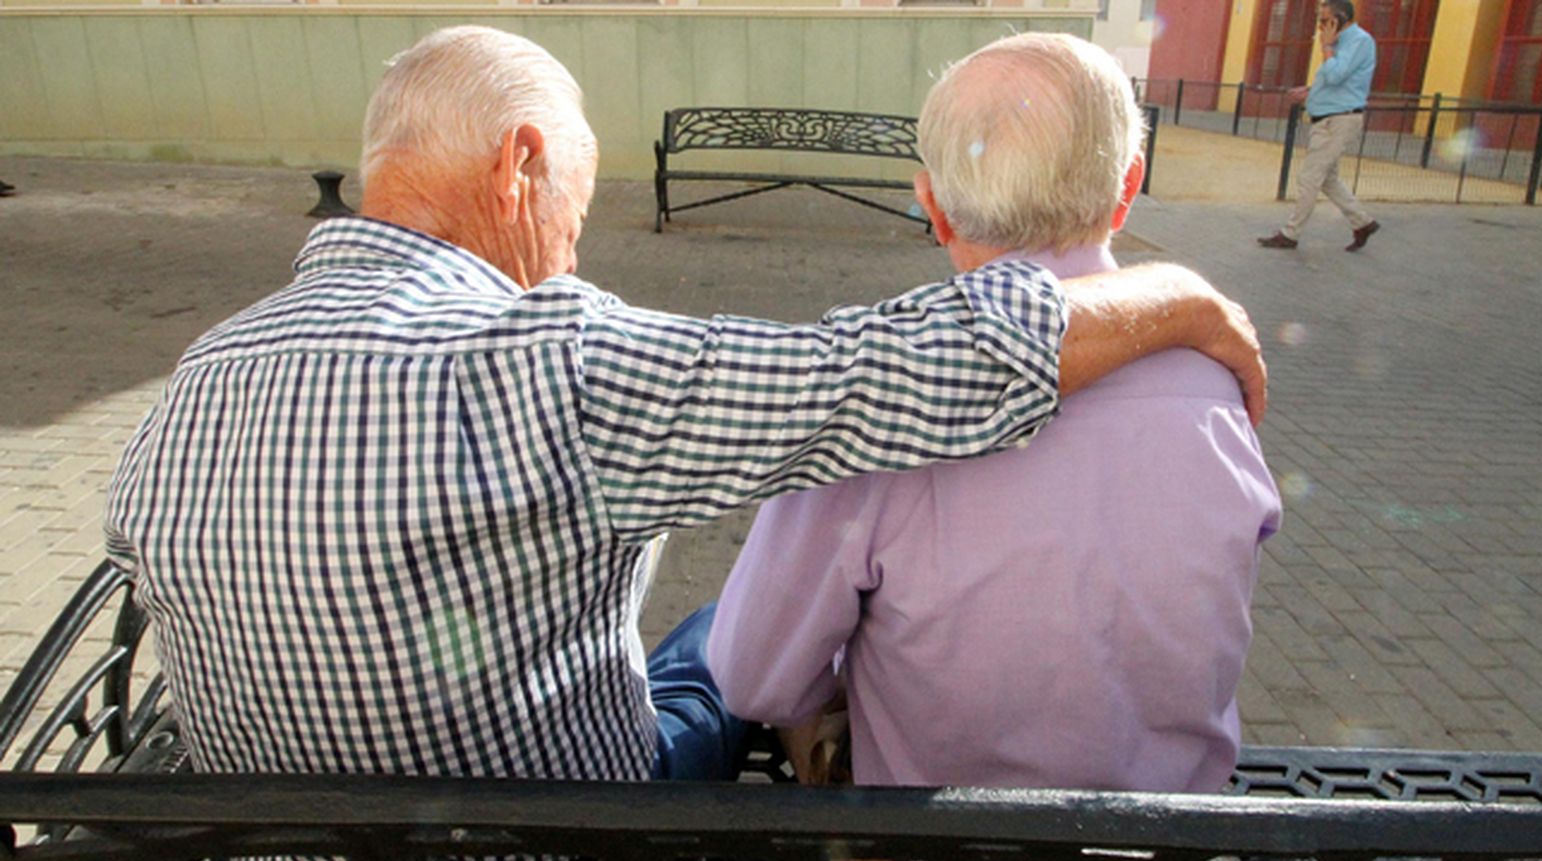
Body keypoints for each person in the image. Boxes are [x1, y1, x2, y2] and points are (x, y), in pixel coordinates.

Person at [104, 25, 1266, 788]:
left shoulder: (201, 372)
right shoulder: (551, 361)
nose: (572, 240)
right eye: (577, 194)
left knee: (758, 618)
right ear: (518, 166)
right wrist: (1180, 297)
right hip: (557, 854)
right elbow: (898, 372)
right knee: (714, 646)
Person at [709, 32, 1283, 793]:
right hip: (1160, 842)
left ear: (934, 208)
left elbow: (753, 681)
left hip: (944, 852)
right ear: (1128, 187)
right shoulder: (1219, 378)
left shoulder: (881, 394)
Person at [1259, 0, 1381, 252]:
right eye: (1320, 20)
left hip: (1338, 120)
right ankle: (1363, 222)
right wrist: (1311, 90)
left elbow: (1337, 74)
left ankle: (1290, 234)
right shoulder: (1340, 43)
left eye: (1326, 21)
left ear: (1341, 20)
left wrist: (1326, 47)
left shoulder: (1358, 41)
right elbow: (1339, 80)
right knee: (1328, 179)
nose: (1321, 26)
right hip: (1328, 116)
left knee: (1310, 177)